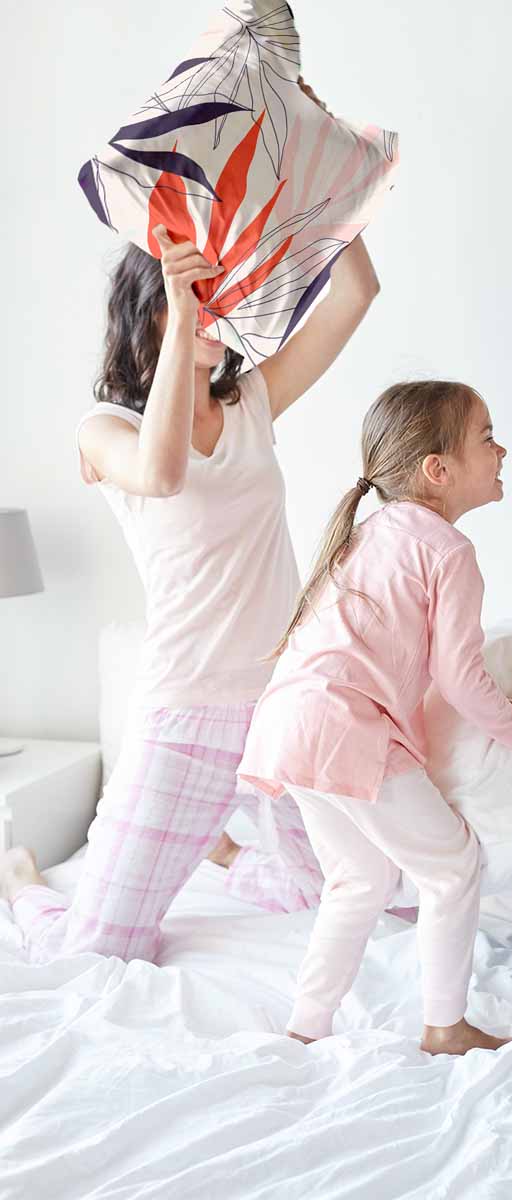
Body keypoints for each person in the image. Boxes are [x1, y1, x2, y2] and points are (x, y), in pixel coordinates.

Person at [0, 99, 381, 956]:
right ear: (151, 311)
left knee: (340, 896)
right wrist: (182, 306)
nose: (216, 313)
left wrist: (306, 169)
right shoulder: (103, 431)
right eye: (194, 299)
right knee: (98, 949)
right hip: (187, 711)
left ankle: (224, 846)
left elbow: (357, 292)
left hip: (284, 699)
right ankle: (27, 886)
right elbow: (164, 473)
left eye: (221, 297)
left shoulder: (249, 403)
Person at [237, 381, 512, 1056]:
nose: (502, 450)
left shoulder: (370, 534)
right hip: (347, 730)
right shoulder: (446, 550)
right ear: (439, 470)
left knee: (360, 879)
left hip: (289, 723)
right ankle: (444, 1025)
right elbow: (461, 679)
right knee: (453, 867)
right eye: (487, 437)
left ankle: (306, 1025)